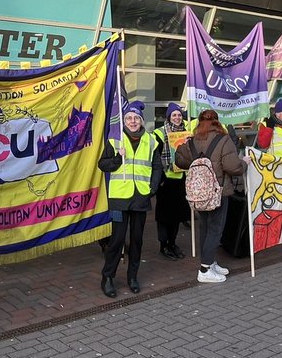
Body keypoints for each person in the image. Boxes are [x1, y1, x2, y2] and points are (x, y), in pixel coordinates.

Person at [174, 109, 243, 283]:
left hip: (199, 193)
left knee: (204, 227)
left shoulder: (193, 141)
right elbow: (233, 167)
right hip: (218, 192)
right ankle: (205, 269)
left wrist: (185, 146)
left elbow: (179, 161)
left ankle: (210, 262)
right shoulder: (224, 139)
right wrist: (245, 164)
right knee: (215, 230)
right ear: (217, 122)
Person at [99, 101, 160, 297]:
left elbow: (157, 166)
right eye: (129, 118)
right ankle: (107, 277)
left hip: (140, 197)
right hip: (119, 198)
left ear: (141, 121)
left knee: (137, 240)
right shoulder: (114, 140)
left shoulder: (151, 140)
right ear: (123, 120)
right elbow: (103, 164)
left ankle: (132, 277)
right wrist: (117, 158)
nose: (132, 121)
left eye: (136, 118)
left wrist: (152, 187)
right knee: (116, 240)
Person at [151, 102, 189, 261]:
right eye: (174, 115)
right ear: (168, 117)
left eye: (179, 115)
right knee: (164, 215)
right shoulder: (159, 133)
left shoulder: (187, 133)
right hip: (165, 181)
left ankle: (172, 243)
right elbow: (154, 157)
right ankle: (163, 245)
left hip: (181, 179)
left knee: (177, 215)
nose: (177, 118)